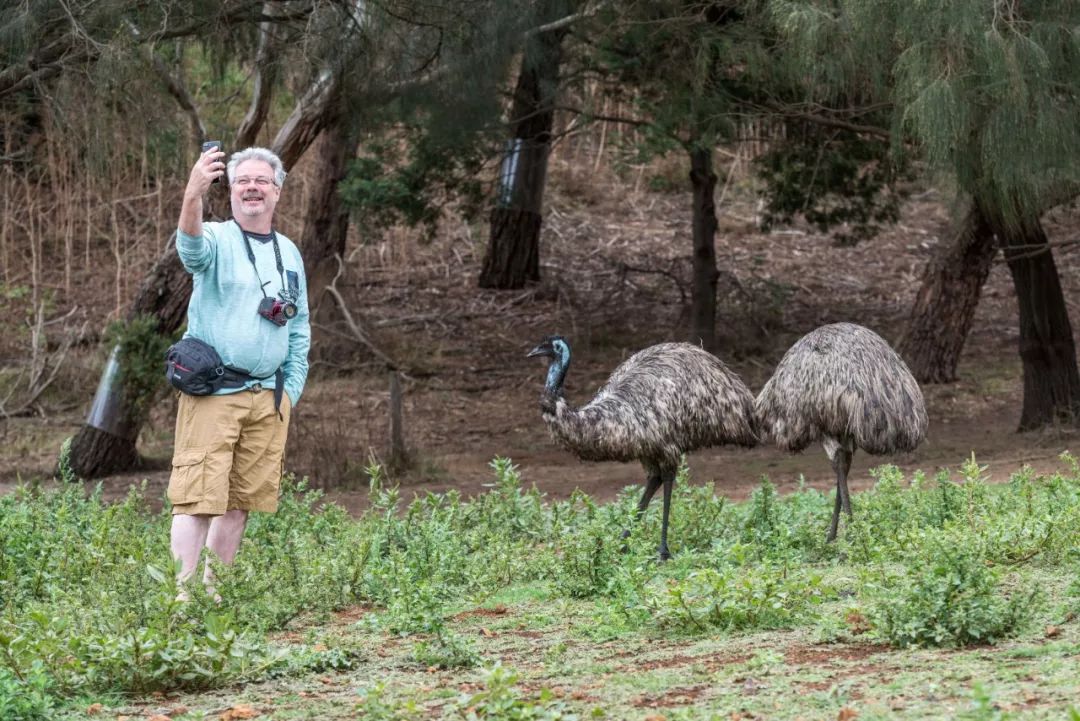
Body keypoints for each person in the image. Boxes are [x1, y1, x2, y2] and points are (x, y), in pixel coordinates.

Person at [168, 145, 310, 599]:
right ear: (229, 191)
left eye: (261, 181)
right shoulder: (214, 238)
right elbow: (189, 249)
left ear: (277, 191)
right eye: (242, 181)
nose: (252, 188)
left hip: (268, 398)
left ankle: (215, 596)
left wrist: (290, 392)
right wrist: (193, 192)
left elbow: (301, 327)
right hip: (214, 393)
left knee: (239, 504)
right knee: (196, 500)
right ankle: (182, 600)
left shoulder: (289, 252)